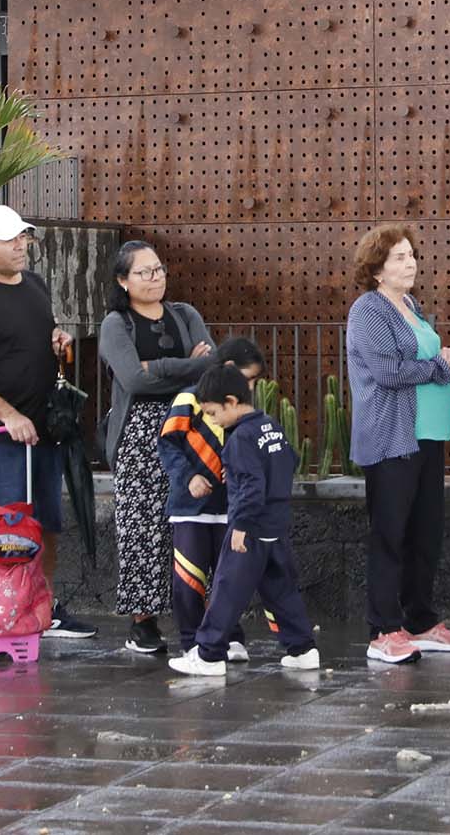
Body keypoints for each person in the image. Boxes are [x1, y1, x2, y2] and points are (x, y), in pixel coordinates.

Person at [0, 203, 92, 640]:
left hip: (45, 430)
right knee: (2, 528)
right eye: (10, 240)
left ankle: (40, 606)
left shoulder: (35, 284)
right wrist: (9, 416)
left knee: (45, 524)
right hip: (1, 437)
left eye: (22, 237)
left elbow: (35, 340)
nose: (20, 246)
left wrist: (58, 341)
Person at [345, 225, 450, 665]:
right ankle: (383, 629)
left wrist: (449, 358)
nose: (411, 262)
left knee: (425, 533)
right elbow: (388, 371)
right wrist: (441, 366)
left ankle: (420, 622)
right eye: (399, 257)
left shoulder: (411, 306)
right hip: (392, 437)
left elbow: (418, 360)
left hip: (429, 435)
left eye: (411, 255)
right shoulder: (368, 310)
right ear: (377, 269)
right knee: (390, 534)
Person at [97, 240, 214, 657]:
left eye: (159, 269)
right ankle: (142, 621)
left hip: (188, 428)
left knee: (196, 523)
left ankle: (204, 616)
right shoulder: (116, 323)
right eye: (144, 272)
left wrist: (160, 369)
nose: (155, 277)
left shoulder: (185, 314)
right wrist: (186, 366)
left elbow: (211, 367)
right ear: (123, 281)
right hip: (139, 436)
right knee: (142, 529)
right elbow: (134, 381)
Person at [166, 361, 319, 675]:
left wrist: (241, 525)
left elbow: (251, 484)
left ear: (231, 403)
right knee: (281, 590)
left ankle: (208, 654)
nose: (214, 421)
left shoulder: (239, 440)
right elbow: (290, 460)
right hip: (276, 524)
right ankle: (303, 648)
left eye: (213, 413)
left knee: (226, 590)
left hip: (249, 529)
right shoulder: (271, 426)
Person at [160, 337, 256, 663]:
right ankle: (191, 640)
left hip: (229, 506)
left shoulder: (243, 407)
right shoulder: (188, 398)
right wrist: (189, 477)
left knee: (228, 576)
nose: (251, 386)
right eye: (247, 377)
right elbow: (168, 445)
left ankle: (229, 636)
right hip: (191, 507)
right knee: (189, 577)